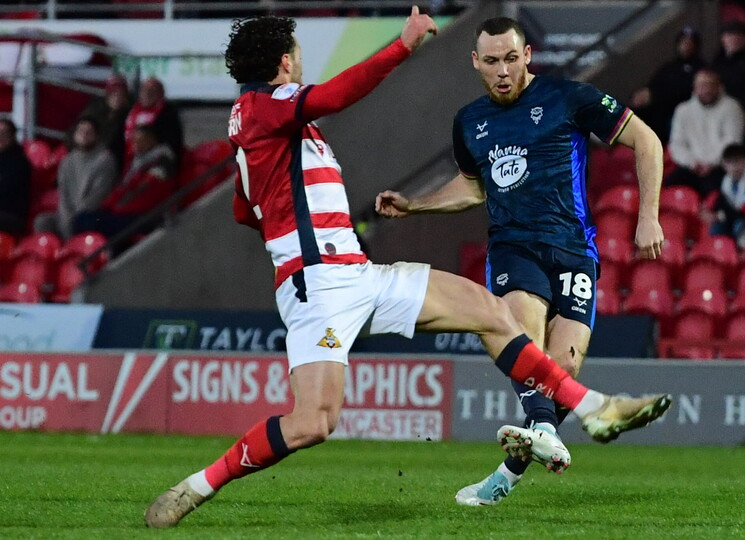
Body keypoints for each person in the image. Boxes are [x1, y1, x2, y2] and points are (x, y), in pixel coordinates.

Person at [143, 11, 672, 528]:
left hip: (356, 272)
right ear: (285, 61)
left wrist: (287, 216)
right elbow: (339, 94)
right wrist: (403, 45)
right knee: (314, 422)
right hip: (320, 286)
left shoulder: (256, 121)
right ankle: (194, 487)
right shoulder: (273, 105)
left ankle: (595, 408)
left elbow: (242, 208)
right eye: (299, 54)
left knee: (489, 312)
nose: (304, 63)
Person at [375, 16, 665, 507]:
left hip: (573, 248)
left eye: (511, 59)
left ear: (527, 55)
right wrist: (417, 204)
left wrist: (649, 217)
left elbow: (647, 141)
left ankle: (508, 473)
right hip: (513, 246)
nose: (503, 71)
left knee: (562, 367)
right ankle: (550, 432)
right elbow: (472, 187)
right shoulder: (469, 121)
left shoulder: (570, 97)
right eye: (491, 62)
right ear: (476, 63)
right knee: (522, 330)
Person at [74, 123, 176, 239]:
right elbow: (122, 189)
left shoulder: (161, 163)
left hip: (147, 216)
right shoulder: (135, 162)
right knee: (83, 218)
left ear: (153, 141)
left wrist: (116, 209)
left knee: (92, 223)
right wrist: (106, 206)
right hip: (125, 211)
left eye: (141, 140)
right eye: (134, 140)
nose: (135, 144)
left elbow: (143, 195)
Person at [664, 67, 745, 195]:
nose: (707, 90)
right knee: (667, 188)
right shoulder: (683, 110)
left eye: (711, 85)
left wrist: (711, 164)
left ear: (719, 86)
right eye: (702, 85)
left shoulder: (732, 108)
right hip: (691, 166)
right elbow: (677, 144)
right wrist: (693, 163)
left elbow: (732, 142)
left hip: (721, 167)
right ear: (695, 87)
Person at [632, 25, 705, 141]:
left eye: (690, 42)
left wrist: (655, 96)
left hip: (676, 112)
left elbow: (685, 92)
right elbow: (653, 84)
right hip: (655, 108)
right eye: (683, 42)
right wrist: (644, 93)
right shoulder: (669, 66)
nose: (686, 45)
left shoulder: (701, 68)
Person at [52, 117, 119, 238]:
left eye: (89, 132)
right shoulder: (67, 161)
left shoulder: (105, 159)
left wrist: (74, 215)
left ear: (97, 136)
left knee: (82, 220)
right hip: (69, 213)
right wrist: (66, 216)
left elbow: (98, 196)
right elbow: (63, 195)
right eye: (81, 131)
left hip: (94, 213)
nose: (84, 135)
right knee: (42, 221)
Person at [703, 143, 745, 243]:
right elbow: (720, 206)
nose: (734, 167)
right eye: (730, 163)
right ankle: (718, 252)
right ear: (724, 165)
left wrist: (721, 215)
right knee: (716, 226)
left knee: (740, 225)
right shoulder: (721, 183)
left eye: (737, 162)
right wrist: (716, 215)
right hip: (729, 219)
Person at [123, 77, 184, 169]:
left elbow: (171, 143)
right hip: (129, 153)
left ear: (161, 94)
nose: (147, 93)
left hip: (154, 156)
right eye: (144, 90)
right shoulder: (133, 110)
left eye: (152, 91)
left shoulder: (167, 112)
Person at [80, 74, 131, 169]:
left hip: (108, 163)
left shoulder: (128, 116)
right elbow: (75, 132)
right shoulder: (94, 109)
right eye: (114, 92)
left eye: (121, 93)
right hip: (84, 153)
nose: (117, 96)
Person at [0, 119, 31, 236]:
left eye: (5, 133)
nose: (1, 137)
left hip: (12, 215)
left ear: (13, 136)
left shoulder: (20, 162)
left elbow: (5, 190)